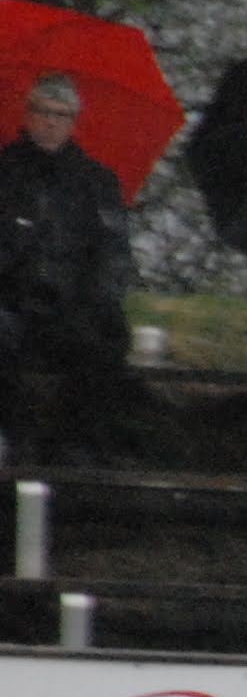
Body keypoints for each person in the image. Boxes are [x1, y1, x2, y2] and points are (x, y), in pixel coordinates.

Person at [0, 73, 142, 471]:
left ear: (74, 122)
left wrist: (98, 300)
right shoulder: (5, 173)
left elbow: (114, 254)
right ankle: (13, 436)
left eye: (61, 114)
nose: (50, 122)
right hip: (11, 301)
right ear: (27, 115)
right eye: (43, 111)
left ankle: (78, 443)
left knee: (104, 335)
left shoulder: (97, 182)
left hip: (71, 306)